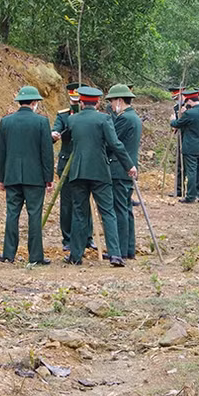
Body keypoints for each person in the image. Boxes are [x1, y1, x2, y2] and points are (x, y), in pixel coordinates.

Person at [65, 86, 137, 267]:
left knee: (80, 213)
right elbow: (115, 144)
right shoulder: (104, 119)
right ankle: (115, 254)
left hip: (78, 172)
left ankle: (75, 255)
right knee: (108, 212)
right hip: (100, 172)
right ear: (97, 103)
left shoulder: (72, 120)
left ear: (81, 102)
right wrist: (129, 165)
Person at [0, 86, 53, 264]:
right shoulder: (42, 122)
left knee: (12, 214)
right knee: (34, 215)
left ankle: (8, 254)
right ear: (35, 102)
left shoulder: (6, 122)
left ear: (19, 102)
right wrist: (48, 178)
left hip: (12, 175)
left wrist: (1, 177)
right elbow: (46, 153)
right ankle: (36, 256)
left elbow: (1, 152)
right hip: (35, 177)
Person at [105, 84, 142, 260]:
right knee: (126, 209)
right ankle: (128, 249)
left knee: (119, 209)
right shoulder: (132, 117)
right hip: (127, 168)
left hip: (119, 169)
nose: (111, 105)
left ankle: (119, 249)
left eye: (112, 101)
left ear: (119, 100)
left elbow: (113, 143)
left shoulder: (124, 119)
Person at [51, 82, 83, 251]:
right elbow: (55, 131)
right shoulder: (63, 116)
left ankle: (87, 237)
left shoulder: (88, 114)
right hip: (66, 163)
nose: (76, 102)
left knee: (86, 202)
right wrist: (54, 135)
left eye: (78, 99)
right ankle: (68, 239)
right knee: (67, 203)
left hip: (83, 162)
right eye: (73, 99)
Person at [169, 89, 199, 204]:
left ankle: (191, 196)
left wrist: (173, 119)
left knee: (191, 171)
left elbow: (177, 124)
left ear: (190, 101)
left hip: (190, 146)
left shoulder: (189, 113)